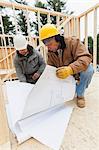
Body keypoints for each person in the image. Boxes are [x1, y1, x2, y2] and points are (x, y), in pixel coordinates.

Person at [39, 23, 94, 108]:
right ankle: (72, 89)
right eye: (46, 45)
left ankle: (80, 95)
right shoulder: (50, 53)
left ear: (57, 38)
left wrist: (70, 69)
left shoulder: (73, 42)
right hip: (65, 78)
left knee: (89, 70)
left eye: (49, 44)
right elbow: (51, 69)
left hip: (76, 72)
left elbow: (86, 58)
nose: (48, 47)